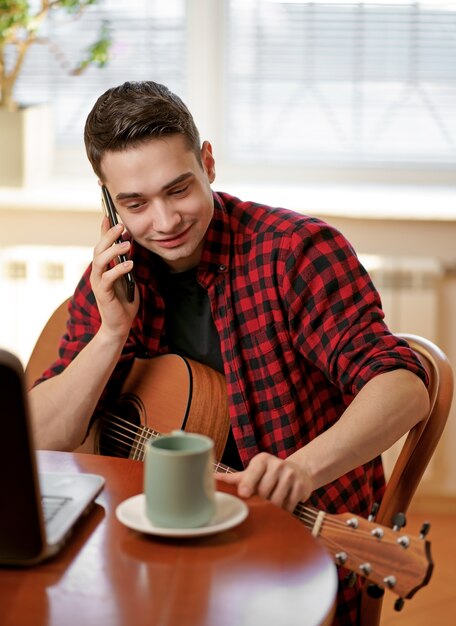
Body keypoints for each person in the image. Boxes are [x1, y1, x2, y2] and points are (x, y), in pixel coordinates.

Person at [29, 81, 429, 625]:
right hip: (143, 542)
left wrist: (301, 469)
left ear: (208, 163)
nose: (165, 222)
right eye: (135, 203)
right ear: (107, 199)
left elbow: (403, 386)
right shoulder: (118, 273)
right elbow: (41, 441)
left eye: (179, 189)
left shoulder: (296, 252)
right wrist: (110, 334)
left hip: (286, 547)